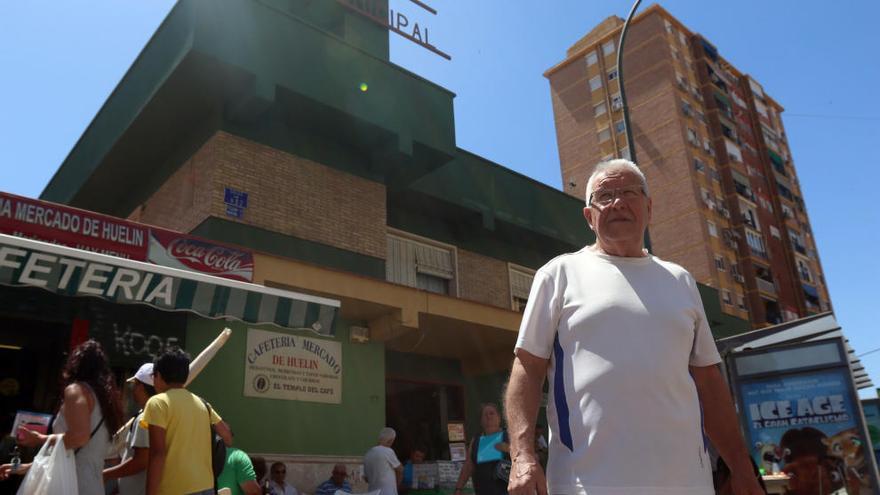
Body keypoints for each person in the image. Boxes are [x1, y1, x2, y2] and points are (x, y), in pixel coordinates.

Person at [504, 159, 764, 495]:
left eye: (629, 192)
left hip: (688, 484)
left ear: (649, 207)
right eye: (605, 195)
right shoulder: (558, 275)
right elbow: (528, 366)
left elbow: (709, 383)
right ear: (589, 216)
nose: (618, 202)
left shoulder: (680, 280)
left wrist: (741, 467)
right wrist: (522, 455)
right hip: (587, 484)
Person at [0, 340, 124, 494]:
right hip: (92, 486)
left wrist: (39, 439)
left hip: (70, 486)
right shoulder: (106, 402)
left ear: (74, 364)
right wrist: (25, 467)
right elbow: (72, 452)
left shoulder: (76, 390)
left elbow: (79, 438)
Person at [142, 347, 232, 495]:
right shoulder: (202, 403)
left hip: (174, 489)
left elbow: (157, 454)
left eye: (153, 375)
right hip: (206, 488)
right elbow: (227, 437)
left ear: (158, 375)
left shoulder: (157, 403)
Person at [104, 363, 157, 495]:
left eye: (135, 384)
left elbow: (141, 461)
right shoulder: (153, 414)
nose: (133, 389)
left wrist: (106, 474)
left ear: (141, 387)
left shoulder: (145, 418)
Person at [453, 404, 509, 495]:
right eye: (485, 414)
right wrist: (459, 488)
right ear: (481, 421)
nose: (488, 416)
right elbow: (468, 466)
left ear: (499, 418)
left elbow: (525, 458)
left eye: (491, 413)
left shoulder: (509, 435)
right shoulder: (476, 440)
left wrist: (509, 449)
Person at [363, 427, 403, 495]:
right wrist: (397, 485)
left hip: (373, 492)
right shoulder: (388, 451)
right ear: (391, 440)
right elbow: (400, 469)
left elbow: (366, 479)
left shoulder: (367, 454)